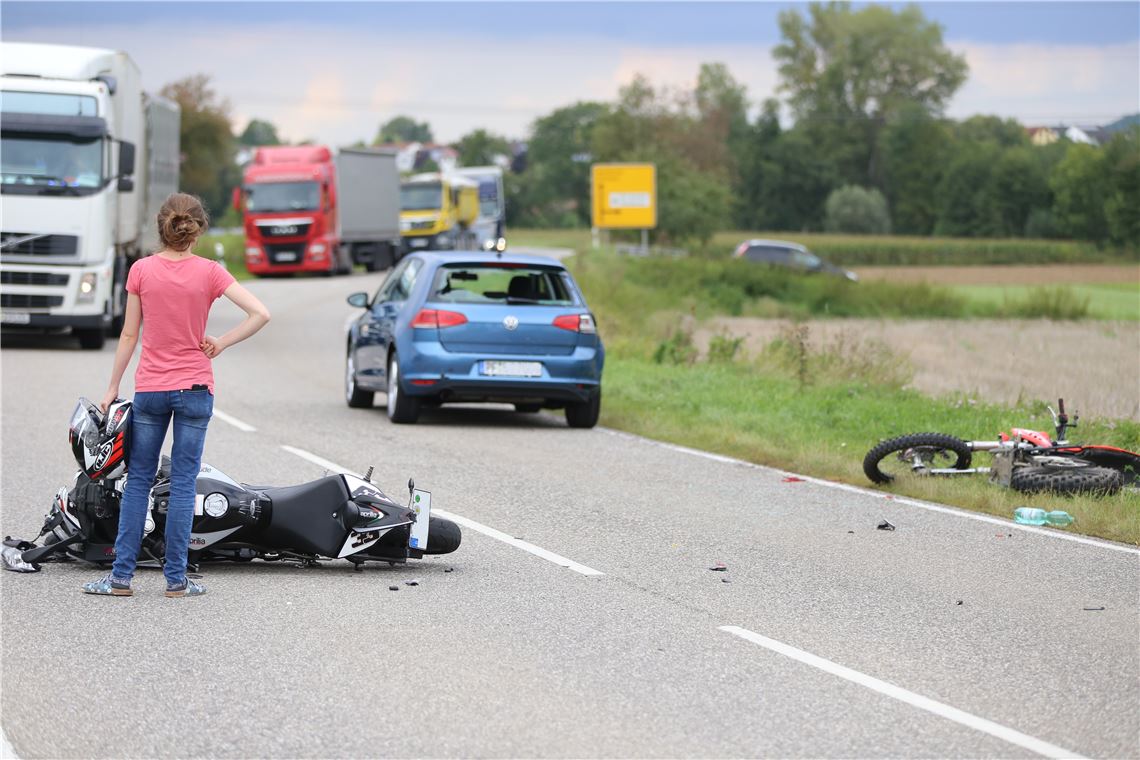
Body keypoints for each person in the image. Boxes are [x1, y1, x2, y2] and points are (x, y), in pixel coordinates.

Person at [83, 193, 270, 598]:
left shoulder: (141, 270)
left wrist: (113, 386)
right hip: (196, 388)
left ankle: (120, 579)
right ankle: (176, 580)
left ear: (161, 226)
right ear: (198, 229)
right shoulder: (211, 272)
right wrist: (221, 342)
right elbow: (261, 313)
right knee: (184, 483)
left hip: (151, 388)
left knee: (138, 483)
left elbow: (130, 334)